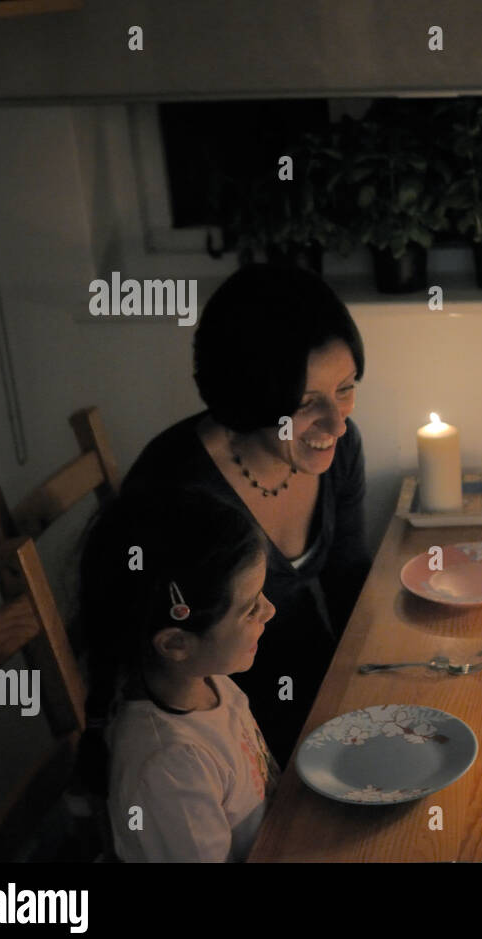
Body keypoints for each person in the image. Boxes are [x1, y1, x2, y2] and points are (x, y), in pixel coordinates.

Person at [123, 265, 372, 766]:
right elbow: (158, 667)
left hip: (323, 690)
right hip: (232, 735)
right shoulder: (178, 488)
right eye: (306, 403)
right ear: (250, 396)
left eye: (345, 387)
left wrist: (374, 678)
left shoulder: (338, 450)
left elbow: (348, 578)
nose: (337, 423)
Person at [77, 488, 279, 862]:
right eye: (250, 609)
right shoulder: (170, 768)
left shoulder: (207, 681)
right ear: (175, 644)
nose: (270, 610)